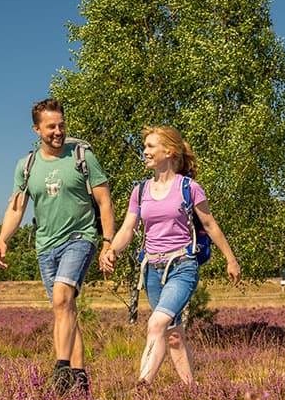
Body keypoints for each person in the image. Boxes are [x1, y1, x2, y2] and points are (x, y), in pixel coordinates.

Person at [100, 125, 240, 386]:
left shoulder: (189, 187)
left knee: (156, 324)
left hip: (182, 267)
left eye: (151, 146)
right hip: (151, 269)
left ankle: (141, 388)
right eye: (145, 147)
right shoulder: (140, 191)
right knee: (173, 333)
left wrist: (231, 260)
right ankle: (191, 392)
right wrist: (111, 250)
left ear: (169, 151)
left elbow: (210, 225)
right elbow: (128, 229)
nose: (145, 151)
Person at [0, 98, 115, 396]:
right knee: (65, 310)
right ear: (37, 129)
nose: (58, 131)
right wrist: (2, 239)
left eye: (61, 125)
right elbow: (16, 207)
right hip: (46, 246)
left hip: (80, 237)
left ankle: (61, 371)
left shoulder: (82, 156)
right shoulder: (27, 166)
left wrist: (108, 243)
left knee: (62, 298)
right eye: (51, 127)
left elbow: (104, 201)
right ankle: (80, 379)